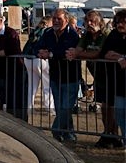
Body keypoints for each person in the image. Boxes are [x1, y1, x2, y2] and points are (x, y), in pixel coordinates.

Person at [67, 10, 118, 147]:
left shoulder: (106, 34)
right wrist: (77, 52)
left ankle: (113, 135)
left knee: (111, 107)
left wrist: (79, 55)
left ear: (100, 22)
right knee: (104, 108)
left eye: (93, 21)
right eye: (87, 21)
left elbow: (97, 53)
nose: (89, 24)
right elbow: (78, 49)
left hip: (112, 76)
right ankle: (108, 133)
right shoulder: (87, 35)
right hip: (99, 77)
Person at [36, 9, 81, 143]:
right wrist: (40, 51)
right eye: (54, 18)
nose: (56, 21)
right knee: (60, 107)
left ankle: (56, 130)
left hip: (70, 77)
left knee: (66, 107)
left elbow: (66, 51)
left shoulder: (72, 34)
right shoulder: (48, 33)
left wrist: (50, 54)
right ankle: (69, 134)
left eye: (59, 19)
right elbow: (38, 45)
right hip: (55, 76)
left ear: (66, 20)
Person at [101, 10, 126, 149]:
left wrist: (117, 56)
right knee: (120, 114)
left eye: (123, 22)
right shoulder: (113, 35)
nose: (120, 25)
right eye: (118, 22)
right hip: (118, 84)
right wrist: (120, 57)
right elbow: (106, 53)